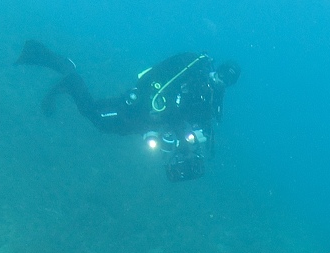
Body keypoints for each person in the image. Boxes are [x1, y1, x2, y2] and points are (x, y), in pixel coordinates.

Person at [16, 40, 240, 181]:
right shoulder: (195, 78)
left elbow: (198, 125)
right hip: (137, 108)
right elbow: (169, 105)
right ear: (216, 70)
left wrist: (192, 142)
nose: (219, 82)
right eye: (220, 75)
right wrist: (180, 136)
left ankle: (60, 71)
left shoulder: (210, 97)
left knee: (101, 121)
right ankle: (64, 69)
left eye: (226, 82)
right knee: (94, 115)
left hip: (146, 122)